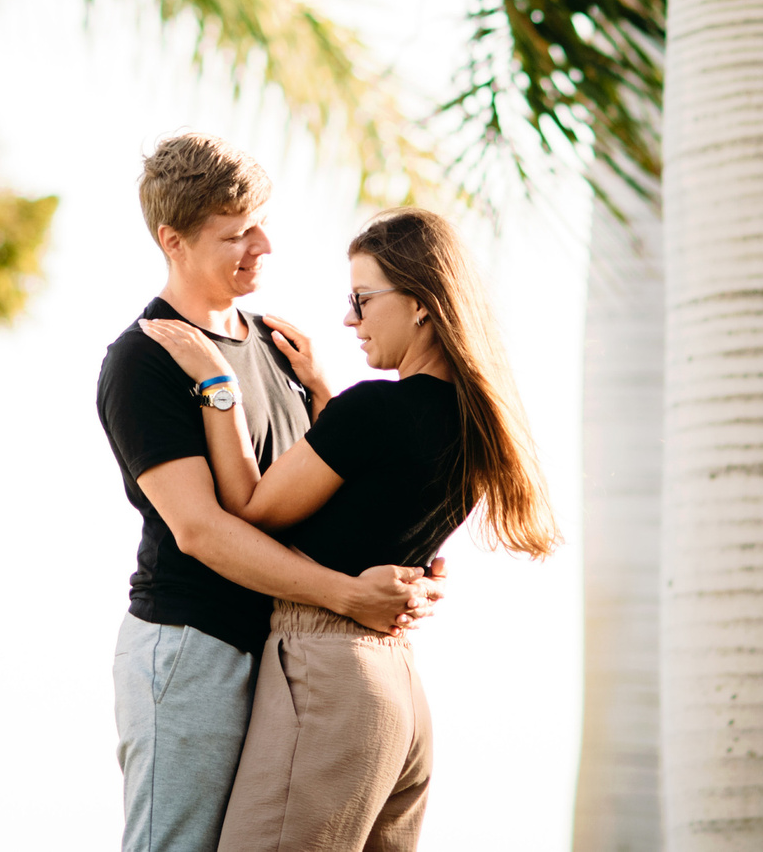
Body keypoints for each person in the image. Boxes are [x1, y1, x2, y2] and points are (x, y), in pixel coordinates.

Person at [143, 205, 559, 852]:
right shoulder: (479, 431)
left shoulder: (374, 410)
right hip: (398, 698)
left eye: (362, 299)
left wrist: (217, 385)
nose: (349, 318)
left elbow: (251, 506)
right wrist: (320, 394)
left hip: (327, 678)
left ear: (421, 303)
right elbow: (371, 492)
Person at [97, 134, 446, 852]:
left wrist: (410, 569)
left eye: (259, 222)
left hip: (280, 650)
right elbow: (204, 530)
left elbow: (322, 488)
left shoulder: (275, 345)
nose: (263, 244)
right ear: (174, 241)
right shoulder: (144, 359)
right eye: (236, 233)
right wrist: (345, 594)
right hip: (192, 646)